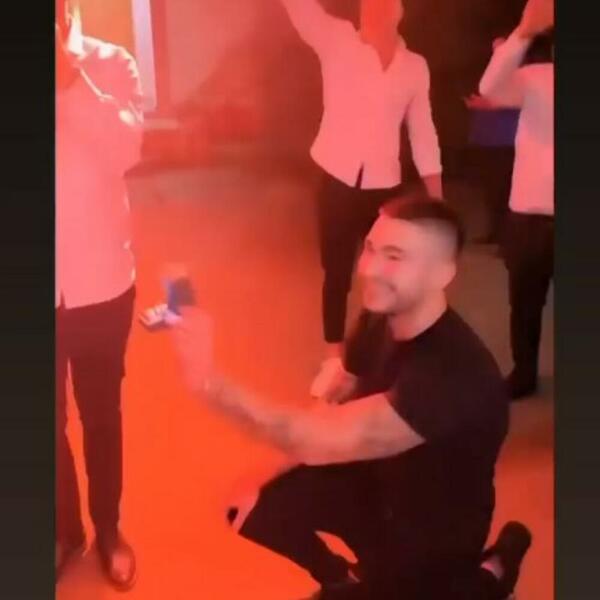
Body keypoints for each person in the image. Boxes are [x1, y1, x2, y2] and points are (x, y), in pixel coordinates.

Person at [172, 196, 531, 599]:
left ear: (442, 274)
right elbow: (334, 402)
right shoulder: (379, 317)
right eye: (371, 249)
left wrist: (210, 383)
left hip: (432, 529)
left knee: (443, 587)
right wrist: (265, 477)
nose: (369, 268)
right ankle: (341, 577)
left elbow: (315, 439)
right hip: (374, 481)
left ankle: (497, 567)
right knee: (254, 509)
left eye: (394, 257)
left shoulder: (451, 376)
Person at [277, 0, 443, 400]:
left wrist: (437, 199)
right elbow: (301, 11)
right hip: (336, 178)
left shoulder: (413, 67)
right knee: (336, 273)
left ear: (400, 10)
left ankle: (372, 356)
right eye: (370, 3)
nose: (377, 9)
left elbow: (422, 132)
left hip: (384, 186)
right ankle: (333, 359)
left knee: (383, 272)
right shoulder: (336, 40)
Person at [55, 0, 143, 589]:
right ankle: (66, 531)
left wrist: (69, 81)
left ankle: (108, 527)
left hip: (102, 282)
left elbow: (126, 150)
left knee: (101, 415)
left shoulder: (111, 63)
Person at [479, 0, 554, 400]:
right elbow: (489, 88)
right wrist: (522, 33)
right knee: (524, 303)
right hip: (528, 213)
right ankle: (524, 372)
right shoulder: (535, 77)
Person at [465, 38, 519, 246]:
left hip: (506, 141)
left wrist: (489, 105)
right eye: (495, 48)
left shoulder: (519, 74)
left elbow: (520, 102)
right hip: (486, 141)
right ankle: (496, 233)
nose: (497, 51)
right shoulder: (491, 74)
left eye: (501, 48)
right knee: (491, 192)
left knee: (504, 192)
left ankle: (508, 238)